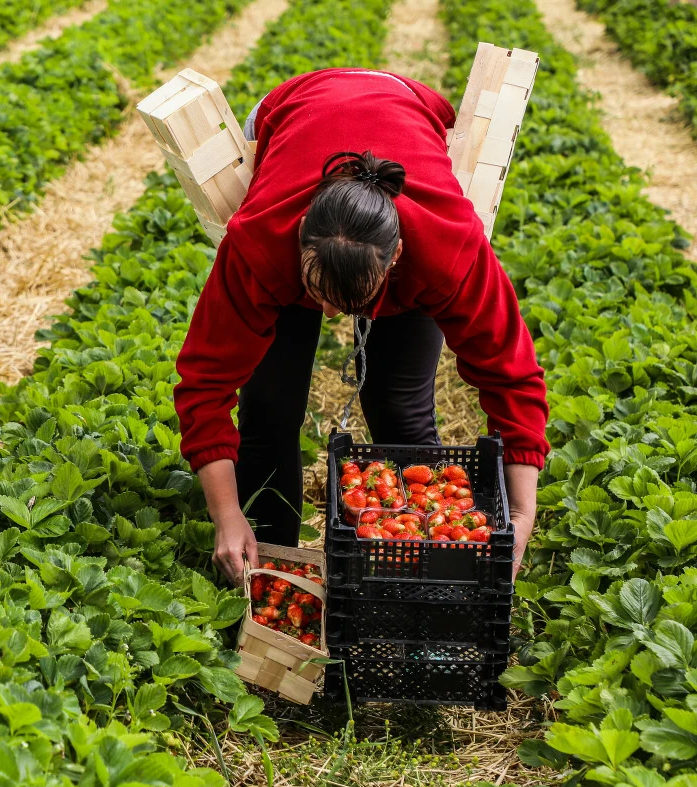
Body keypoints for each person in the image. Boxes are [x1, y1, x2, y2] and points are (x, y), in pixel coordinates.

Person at [174, 68, 547, 588]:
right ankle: (266, 570)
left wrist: (522, 515)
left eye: (351, 303)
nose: (331, 317)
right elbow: (205, 384)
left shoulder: (449, 249)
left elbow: (511, 377)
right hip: (293, 107)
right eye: (318, 297)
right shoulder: (258, 243)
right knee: (269, 409)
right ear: (299, 236)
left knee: (399, 404)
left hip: (407, 104)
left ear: (396, 256)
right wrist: (226, 515)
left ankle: (420, 560)